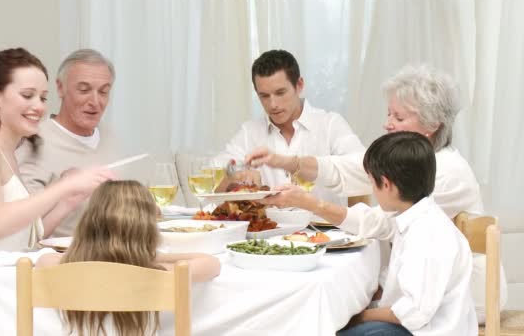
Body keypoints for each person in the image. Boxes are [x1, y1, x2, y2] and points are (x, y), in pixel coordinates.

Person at [247, 65, 507, 323]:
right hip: (419, 294)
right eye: (389, 113)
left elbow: (381, 223)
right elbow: (345, 167)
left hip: (458, 302)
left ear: (432, 125)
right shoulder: (405, 159)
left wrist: (310, 203)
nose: (387, 123)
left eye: (399, 117)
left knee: (336, 316)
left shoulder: (446, 172)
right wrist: (284, 161)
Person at [0, 48, 114, 336]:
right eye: (27, 95)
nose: (38, 106)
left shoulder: (10, 153)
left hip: (1, 300)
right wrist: (62, 187)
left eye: (42, 97)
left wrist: (66, 202)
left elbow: (19, 239)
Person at [263, 132, 478, 335]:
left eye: (372, 183)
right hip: (416, 326)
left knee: (331, 330)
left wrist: (360, 317)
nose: (373, 191)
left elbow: (414, 313)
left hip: (423, 331)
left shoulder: (427, 235)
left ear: (386, 184)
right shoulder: (414, 216)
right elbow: (366, 222)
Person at [36, 180, 221, 335]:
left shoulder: (61, 268)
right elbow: (211, 262)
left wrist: (91, 250)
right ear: (147, 228)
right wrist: (151, 257)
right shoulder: (158, 273)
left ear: (89, 222)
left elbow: (44, 259)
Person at [214, 49, 364, 204]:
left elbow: (363, 169)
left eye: (280, 93)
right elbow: (211, 176)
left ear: (299, 85)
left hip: (324, 227)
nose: (273, 105)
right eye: (264, 96)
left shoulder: (330, 124)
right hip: (270, 227)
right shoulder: (249, 132)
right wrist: (235, 176)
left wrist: (302, 165)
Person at [17, 48, 120, 237]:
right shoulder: (35, 142)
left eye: (104, 92)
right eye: (84, 90)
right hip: (60, 260)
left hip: (115, 253)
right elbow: (24, 232)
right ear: (60, 88)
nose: (95, 101)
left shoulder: (109, 136)